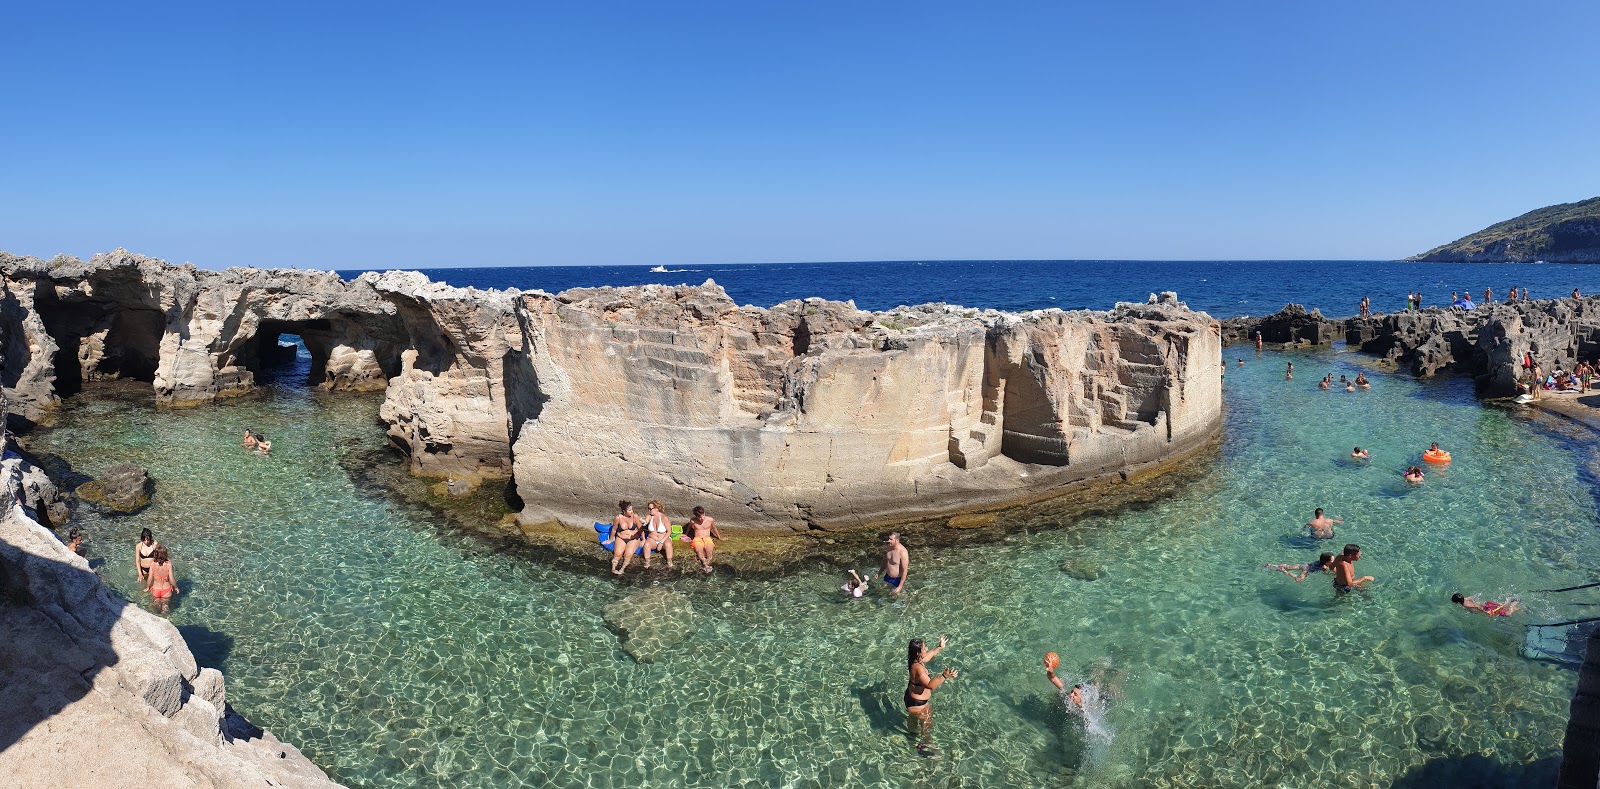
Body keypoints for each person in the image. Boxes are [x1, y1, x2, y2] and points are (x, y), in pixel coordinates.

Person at [905, 635, 956, 754]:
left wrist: (939, 647)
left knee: (913, 724)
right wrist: (944, 676)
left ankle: (911, 740)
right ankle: (926, 749)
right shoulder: (919, 669)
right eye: (924, 648)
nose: (926, 648)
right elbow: (930, 686)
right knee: (927, 727)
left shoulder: (914, 660)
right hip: (919, 705)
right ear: (918, 652)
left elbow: (928, 656)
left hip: (911, 699)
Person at [610, 500, 643, 575]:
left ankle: (622, 569)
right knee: (617, 554)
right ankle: (613, 569)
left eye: (632, 509)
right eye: (630, 510)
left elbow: (640, 529)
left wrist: (643, 539)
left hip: (633, 538)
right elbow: (614, 529)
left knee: (627, 554)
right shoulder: (618, 518)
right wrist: (610, 539)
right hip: (621, 538)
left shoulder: (635, 516)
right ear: (624, 511)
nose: (632, 511)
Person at [687, 505, 722, 573]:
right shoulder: (693, 521)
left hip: (707, 538)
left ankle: (707, 565)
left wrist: (719, 537)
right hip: (697, 539)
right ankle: (705, 564)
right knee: (699, 552)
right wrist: (686, 534)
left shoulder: (710, 520)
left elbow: (714, 528)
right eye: (699, 517)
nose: (701, 518)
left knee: (709, 553)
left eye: (702, 516)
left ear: (704, 513)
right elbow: (689, 527)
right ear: (696, 516)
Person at [641, 499, 673, 570]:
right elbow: (645, 522)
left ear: (656, 508)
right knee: (646, 545)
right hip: (652, 539)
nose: (649, 511)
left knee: (668, 544)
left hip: (663, 539)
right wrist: (642, 521)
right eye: (648, 509)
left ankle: (669, 561)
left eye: (650, 509)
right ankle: (647, 562)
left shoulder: (664, 517)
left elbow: (669, 531)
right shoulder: (649, 516)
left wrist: (661, 542)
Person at [144, 545, 178, 611]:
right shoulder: (169, 564)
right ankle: (165, 618)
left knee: (155, 607)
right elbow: (171, 579)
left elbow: (150, 578)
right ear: (165, 554)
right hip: (166, 590)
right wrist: (176, 587)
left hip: (155, 590)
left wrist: (147, 587)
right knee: (165, 608)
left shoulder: (152, 564)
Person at [1264, 552, 1336, 582]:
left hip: (1305, 566)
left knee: (1289, 566)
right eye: (1333, 560)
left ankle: (1271, 565)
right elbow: (1328, 574)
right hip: (1306, 571)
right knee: (1299, 580)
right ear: (1327, 561)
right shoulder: (1324, 567)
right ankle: (1284, 571)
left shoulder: (1321, 560)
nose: (1334, 560)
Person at [1451, 593, 1519, 617]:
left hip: (1487, 608)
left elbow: (1477, 606)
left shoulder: (1466, 605)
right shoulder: (1465, 599)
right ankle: (1517, 607)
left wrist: (1486, 612)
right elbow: (1471, 597)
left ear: (1457, 602)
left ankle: (1513, 603)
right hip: (1487, 604)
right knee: (1502, 608)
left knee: (1508, 614)